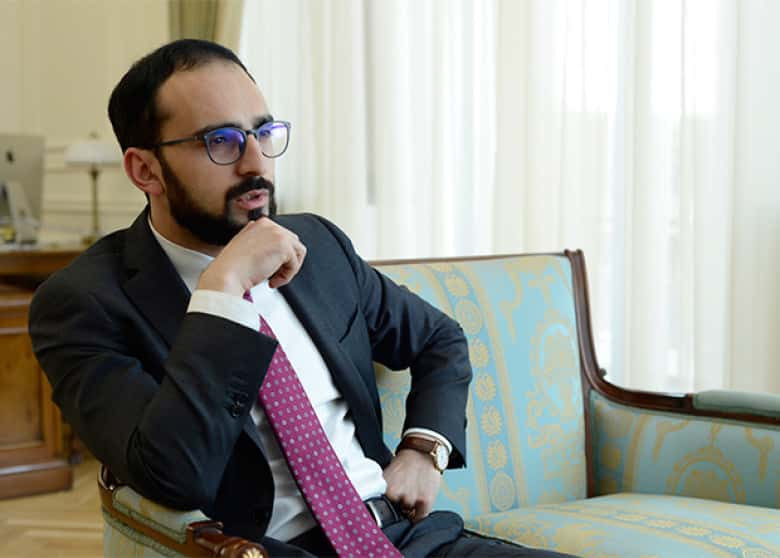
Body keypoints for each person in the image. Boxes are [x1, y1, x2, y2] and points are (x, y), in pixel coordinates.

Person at [29, 39, 575, 558]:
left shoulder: (319, 245)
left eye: (263, 133)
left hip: (403, 536)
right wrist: (224, 289)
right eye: (221, 141)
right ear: (145, 170)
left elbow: (440, 338)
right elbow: (174, 475)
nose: (256, 163)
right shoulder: (83, 305)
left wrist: (424, 449)